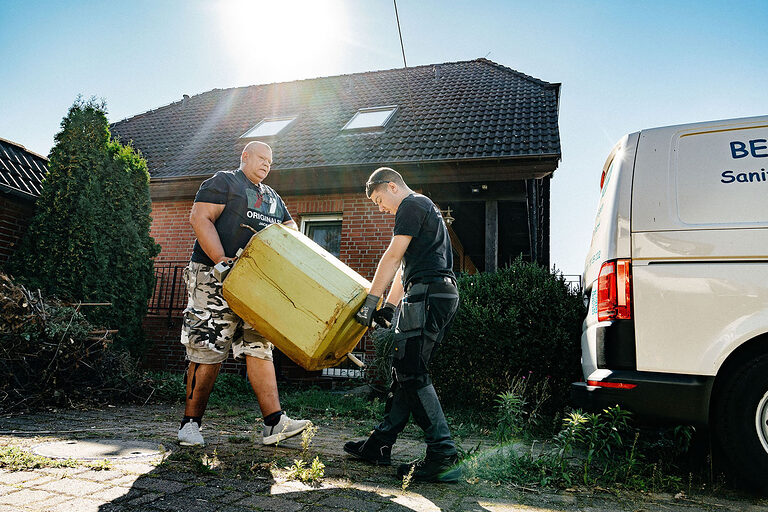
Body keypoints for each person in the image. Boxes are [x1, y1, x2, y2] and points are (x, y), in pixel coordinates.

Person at [177, 141, 310, 447]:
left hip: (255, 283)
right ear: (245, 157)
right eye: (261, 158)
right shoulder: (224, 181)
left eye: (271, 161)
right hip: (214, 276)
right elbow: (200, 218)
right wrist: (221, 259)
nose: (266, 164)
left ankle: (274, 423)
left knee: (259, 345)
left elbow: (291, 232)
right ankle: (190, 425)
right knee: (208, 346)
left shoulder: (273, 197)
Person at [344, 167, 461, 483]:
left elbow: (393, 256)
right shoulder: (424, 209)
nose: (381, 209)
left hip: (427, 294)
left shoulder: (412, 204)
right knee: (404, 370)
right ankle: (379, 445)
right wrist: (390, 305)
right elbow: (403, 268)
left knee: (412, 372)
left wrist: (370, 302)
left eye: (380, 200)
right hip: (430, 292)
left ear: (392, 187)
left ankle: (443, 455)